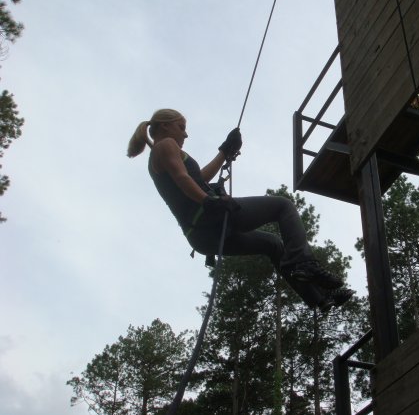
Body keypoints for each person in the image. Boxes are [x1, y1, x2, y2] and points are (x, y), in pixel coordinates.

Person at [127, 109, 353, 312]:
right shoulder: (165, 145)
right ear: (165, 126)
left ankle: (319, 298)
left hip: (201, 236)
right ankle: (305, 263)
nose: (185, 134)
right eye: (181, 127)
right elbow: (182, 178)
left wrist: (224, 152)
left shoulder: (160, 155)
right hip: (210, 217)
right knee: (283, 206)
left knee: (272, 244)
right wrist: (208, 201)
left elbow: (198, 178)